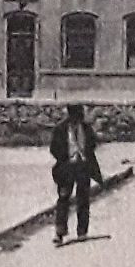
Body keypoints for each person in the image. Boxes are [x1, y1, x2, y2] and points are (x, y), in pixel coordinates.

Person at [49, 104, 105, 246]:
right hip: (66, 168)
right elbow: (54, 148)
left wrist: (85, 157)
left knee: (83, 199)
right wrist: (65, 158)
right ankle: (60, 232)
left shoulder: (86, 129)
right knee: (63, 199)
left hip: (83, 167)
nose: (77, 119)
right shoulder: (60, 129)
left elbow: (92, 145)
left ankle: (82, 231)